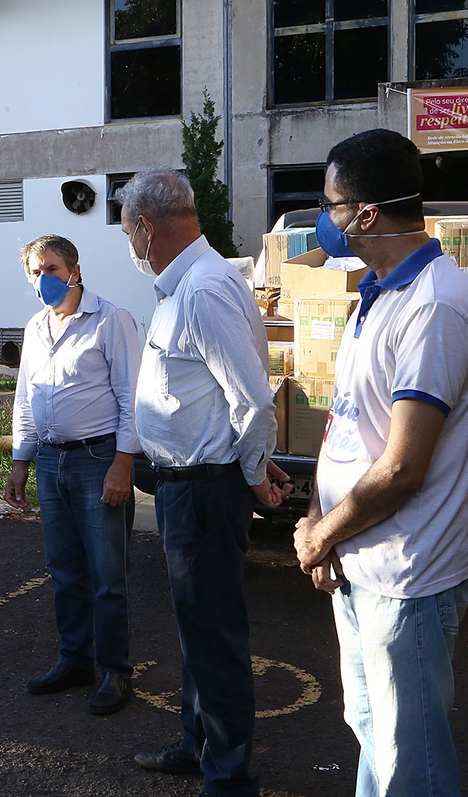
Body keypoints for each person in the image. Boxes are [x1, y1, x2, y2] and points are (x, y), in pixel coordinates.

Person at [294, 128, 468, 797]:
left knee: (414, 764)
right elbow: (349, 424)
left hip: (406, 577)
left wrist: (323, 533)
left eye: (330, 204)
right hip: (358, 561)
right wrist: (319, 520)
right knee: (373, 730)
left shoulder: (434, 305)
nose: (324, 219)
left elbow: (404, 465)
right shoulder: (375, 293)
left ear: (366, 214)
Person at [121, 170, 291, 797]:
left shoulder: (204, 289)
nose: (128, 246)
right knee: (197, 626)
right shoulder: (189, 285)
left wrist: (250, 470)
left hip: (203, 487)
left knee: (215, 635)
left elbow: (251, 399)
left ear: (146, 227)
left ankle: (227, 775)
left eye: (125, 231)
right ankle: (200, 745)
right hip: (187, 484)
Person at [2, 234, 142, 716]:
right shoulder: (35, 328)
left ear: (75, 271)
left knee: (107, 573)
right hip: (50, 461)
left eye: (52, 268)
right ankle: (75, 660)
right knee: (64, 570)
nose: (44, 278)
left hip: (98, 459)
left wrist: (122, 464)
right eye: (35, 271)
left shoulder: (111, 319)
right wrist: (21, 461)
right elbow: (25, 398)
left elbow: (132, 398)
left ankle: (115, 671)